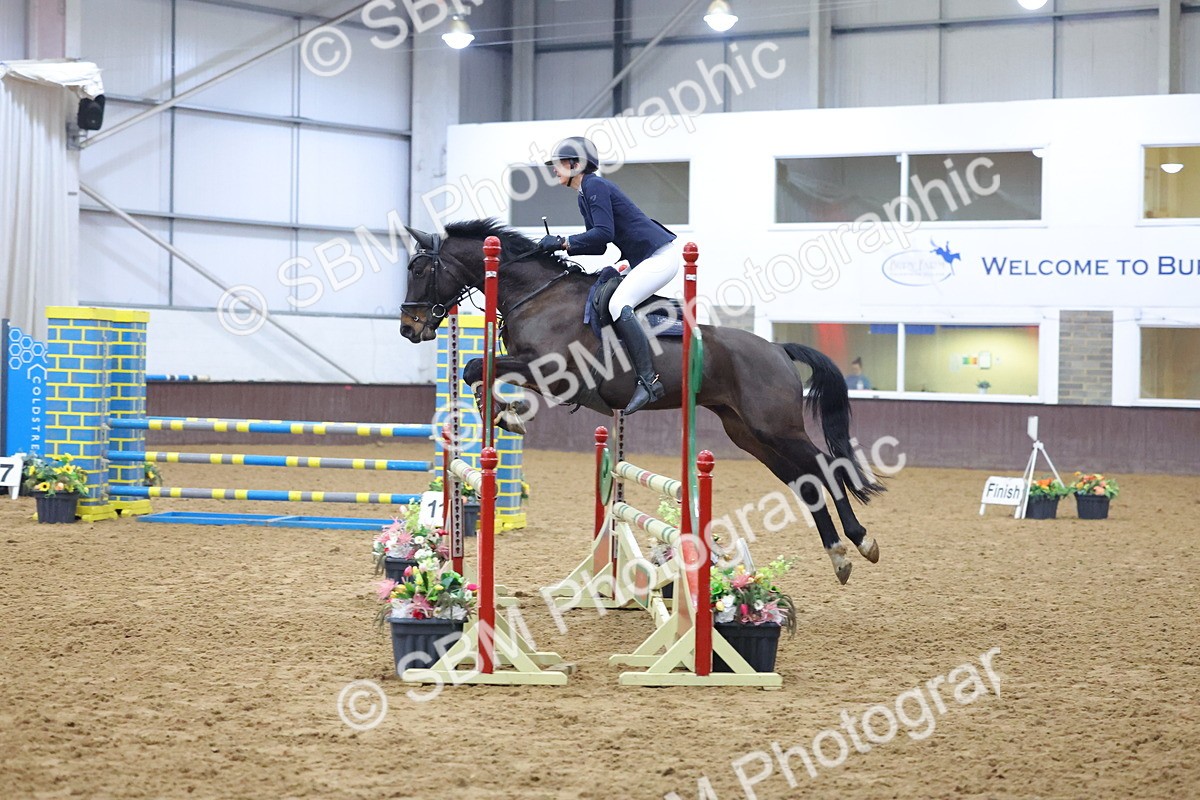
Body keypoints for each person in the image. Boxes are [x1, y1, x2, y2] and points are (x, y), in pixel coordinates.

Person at [537, 136, 682, 415]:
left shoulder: (595, 186)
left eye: (559, 164)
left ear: (576, 164)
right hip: (643, 258)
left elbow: (603, 233)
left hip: (659, 258)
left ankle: (649, 381)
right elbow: (599, 244)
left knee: (618, 304)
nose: (554, 169)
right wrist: (560, 249)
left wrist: (562, 240)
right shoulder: (585, 195)